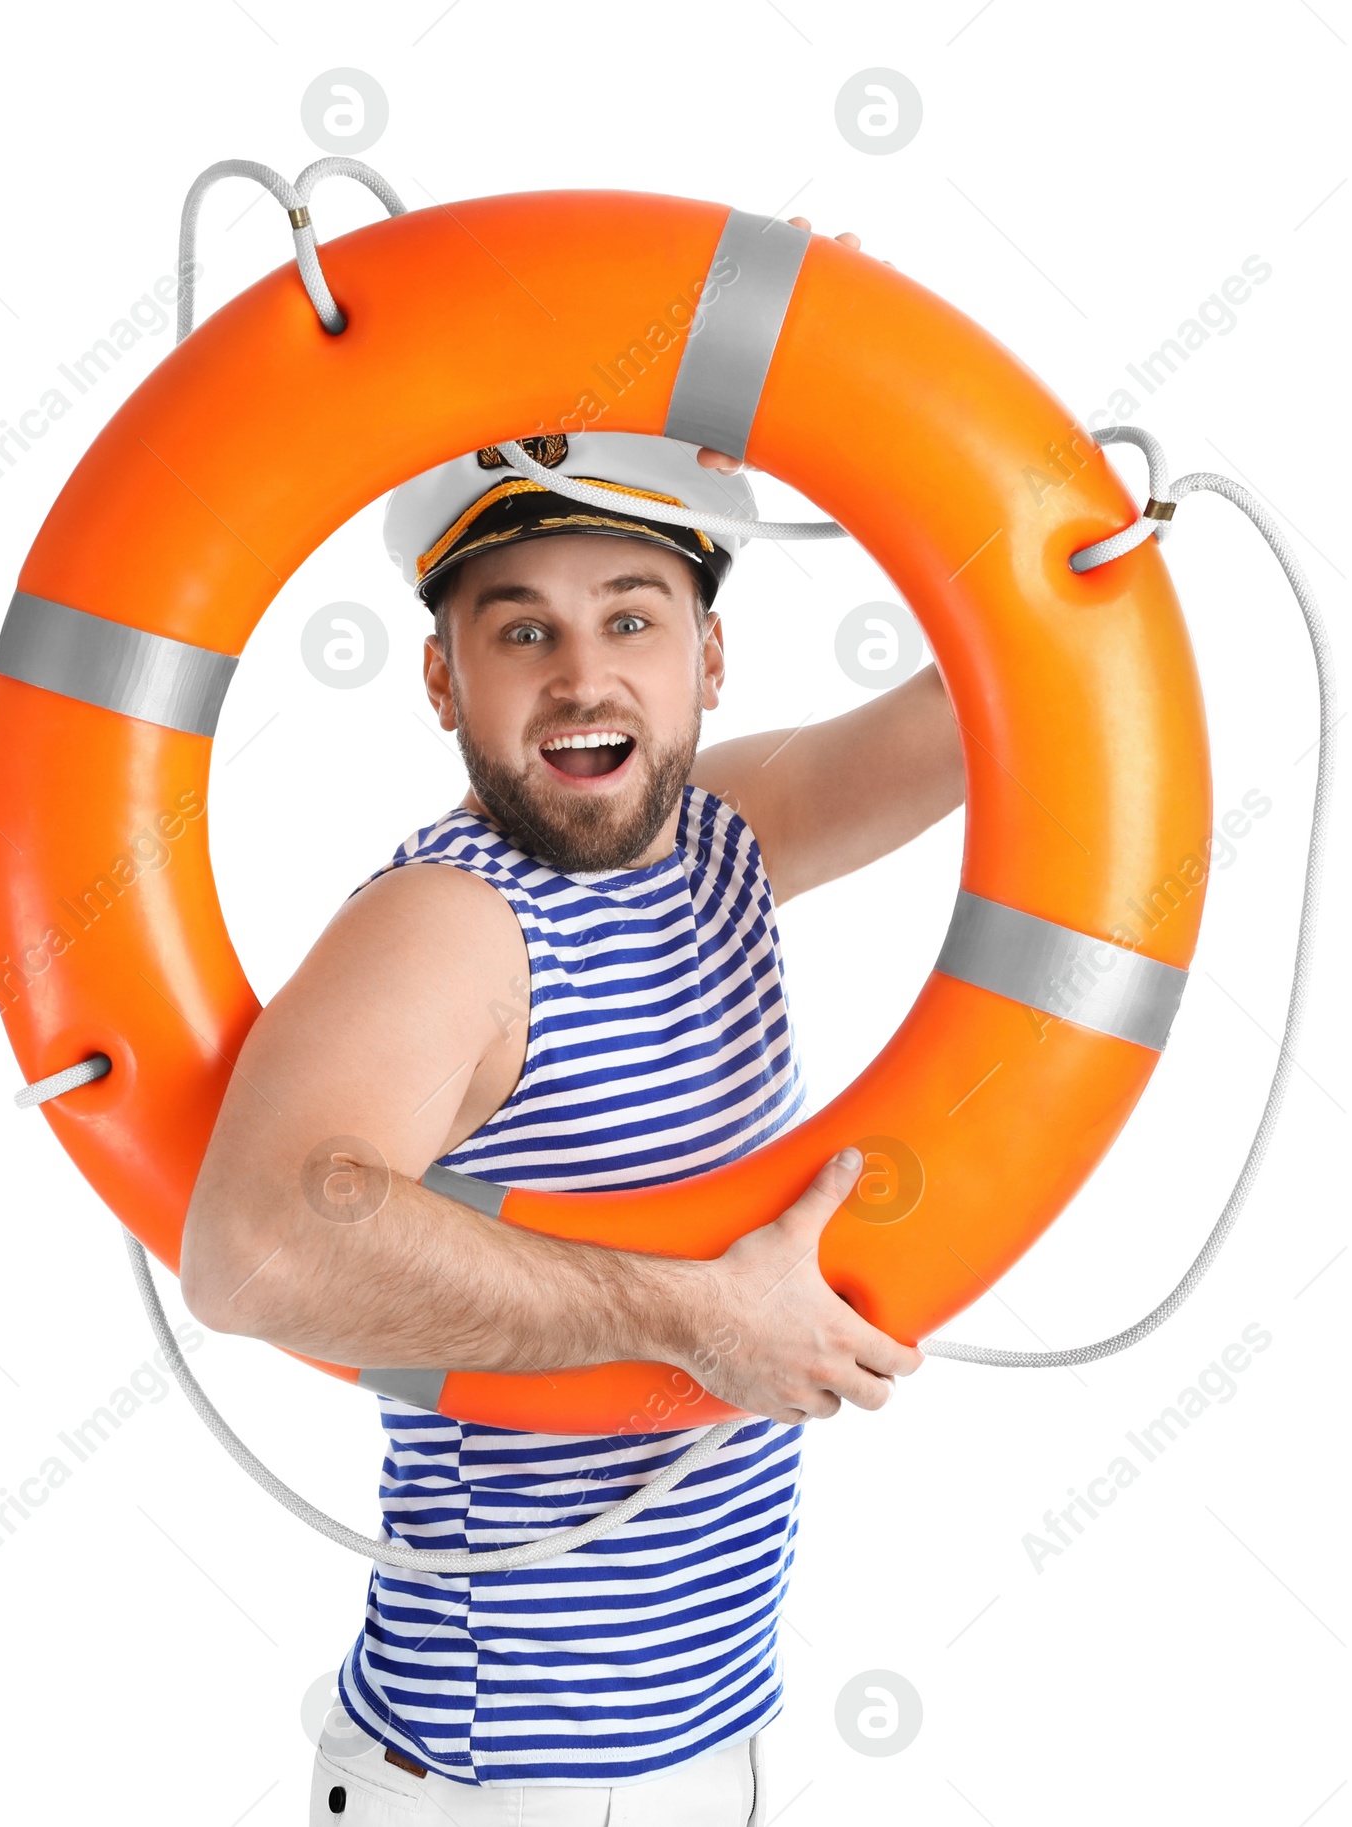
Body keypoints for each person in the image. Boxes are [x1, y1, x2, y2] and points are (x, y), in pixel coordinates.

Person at [180, 221, 965, 1827]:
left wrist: (879, 396)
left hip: (716, 1736)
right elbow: (254, 1246)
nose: (580, 677)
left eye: (632, 617)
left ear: (711, 659)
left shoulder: (724, 836)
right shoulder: (448, 926)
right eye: (520, 629)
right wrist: (693, 1319)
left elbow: (993, 702)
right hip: (495, 1783)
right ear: (442, 683)